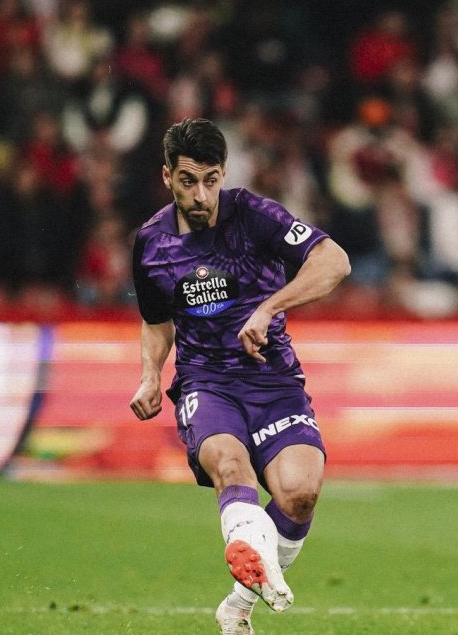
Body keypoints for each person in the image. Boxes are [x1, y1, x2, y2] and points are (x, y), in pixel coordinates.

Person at [129, 118, 351, 634]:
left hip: (273, 381)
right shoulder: (150, 245)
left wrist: (269, 307)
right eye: (189, 181)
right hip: (206, 383)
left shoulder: (255, 216)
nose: (202, 194)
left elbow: (334, 262)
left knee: (299, 495)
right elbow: (156, 321)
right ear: (167, 177)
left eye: (211, 179)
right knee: (231, 465)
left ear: (224, 172)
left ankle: (237, 605)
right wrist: (148, 376)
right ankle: (248, 556)